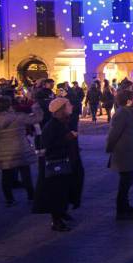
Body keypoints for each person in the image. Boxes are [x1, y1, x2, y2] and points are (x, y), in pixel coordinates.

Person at [33, 98, 84, 232]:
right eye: (68, 104)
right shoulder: (52, 125)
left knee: (65, 190)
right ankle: (56, 221)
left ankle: (62, 212)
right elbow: (48, 145)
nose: (71, 106)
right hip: (58, 165)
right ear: (61, 109)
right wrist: (68, 138)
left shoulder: (63, 122)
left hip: (66, 163)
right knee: (57, 193)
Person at [0, 95, 41, 207]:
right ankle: (31, 196)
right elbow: (37, 119)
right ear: (9, 106)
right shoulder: (17, 117)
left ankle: (9, 199)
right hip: (20, 148)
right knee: (25, 173)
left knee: (6, 175)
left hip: (3, 150)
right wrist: (36, 106)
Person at [106, 91, 133, 220]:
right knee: (125, 183)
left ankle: (126, 206)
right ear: (128, 100)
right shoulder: (122, 113)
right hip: (123, 152)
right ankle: (121, 211)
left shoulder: (128, 112)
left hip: (128, 152)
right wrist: (109, 148)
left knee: (127, 181)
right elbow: (113, 133)